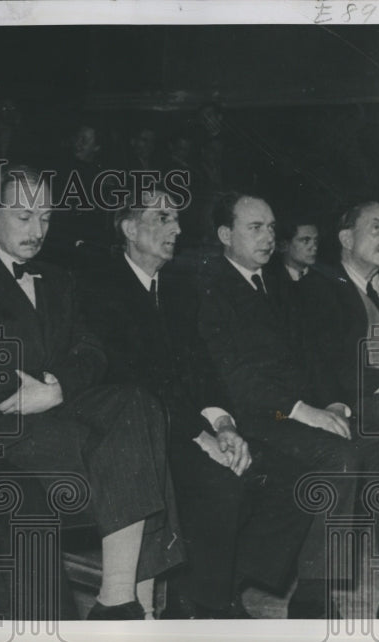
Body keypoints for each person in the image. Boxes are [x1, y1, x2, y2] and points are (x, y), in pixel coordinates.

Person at [0, 166, 184, 620]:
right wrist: (29, 388)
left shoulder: (58, 278)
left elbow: (91, 350)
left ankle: (118, 597)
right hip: (2, 420)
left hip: (55, 408)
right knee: (132, 447)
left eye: (45, 217)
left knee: (139, 405)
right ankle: (133, 605)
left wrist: (58, 388)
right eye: (24, 216)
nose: (37, 230)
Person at [80, 190, 312, 618]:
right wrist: (198, 435)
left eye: (178, 218)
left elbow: (201, 367)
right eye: (163, 217)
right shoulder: (101, 285)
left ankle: (218, 588)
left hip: (185, 423)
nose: (178, 228)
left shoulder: (176, 288)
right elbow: (133, 378)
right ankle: (205, 606)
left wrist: (223, 424)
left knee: (283, 476)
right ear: (130, 229)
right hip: (129, 436)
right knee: (220, 482)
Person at [196, 192, 362, 618]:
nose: (269, 237)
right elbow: (230, 372)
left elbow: (311, 356)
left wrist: (335, 403)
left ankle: (302, 590)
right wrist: (302, 411)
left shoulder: (278, 285)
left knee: (341, 444)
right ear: (224, 234)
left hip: (284, 409)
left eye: (271, 228)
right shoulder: (209, 285)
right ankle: (299, 592)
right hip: (246, 413)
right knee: (335, 456)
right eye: (255, 227)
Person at [312, 201, 379, 618]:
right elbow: (324, 365)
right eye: (377, 228)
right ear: (346, 238)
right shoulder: (319, 288)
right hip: (354, 406)